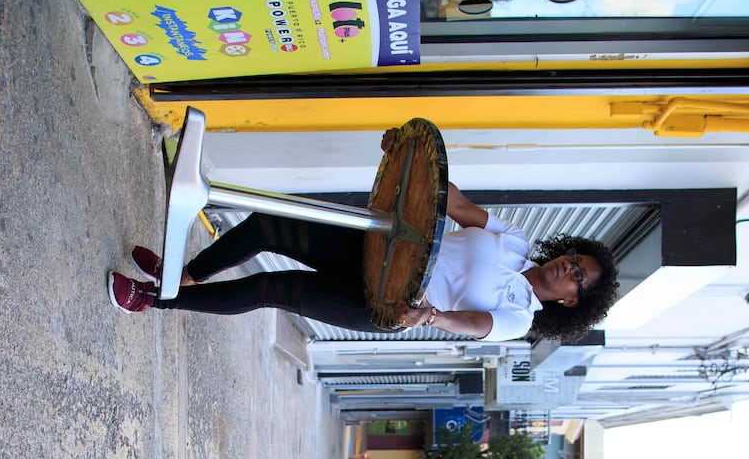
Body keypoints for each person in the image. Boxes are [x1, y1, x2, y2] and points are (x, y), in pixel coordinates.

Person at [107, 129, 618, 345]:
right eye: (575, 259)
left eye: (578, 278)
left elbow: (470, 322)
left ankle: (156, 300)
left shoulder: (518, 316)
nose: (568, 269)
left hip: (385, 300)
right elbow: (453, 203)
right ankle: (185, 275)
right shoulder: (516, 242)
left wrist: (431, 316)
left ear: (573, 301)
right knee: (268, 227)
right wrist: (410, 161)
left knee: (272, 290)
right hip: (378, 249)